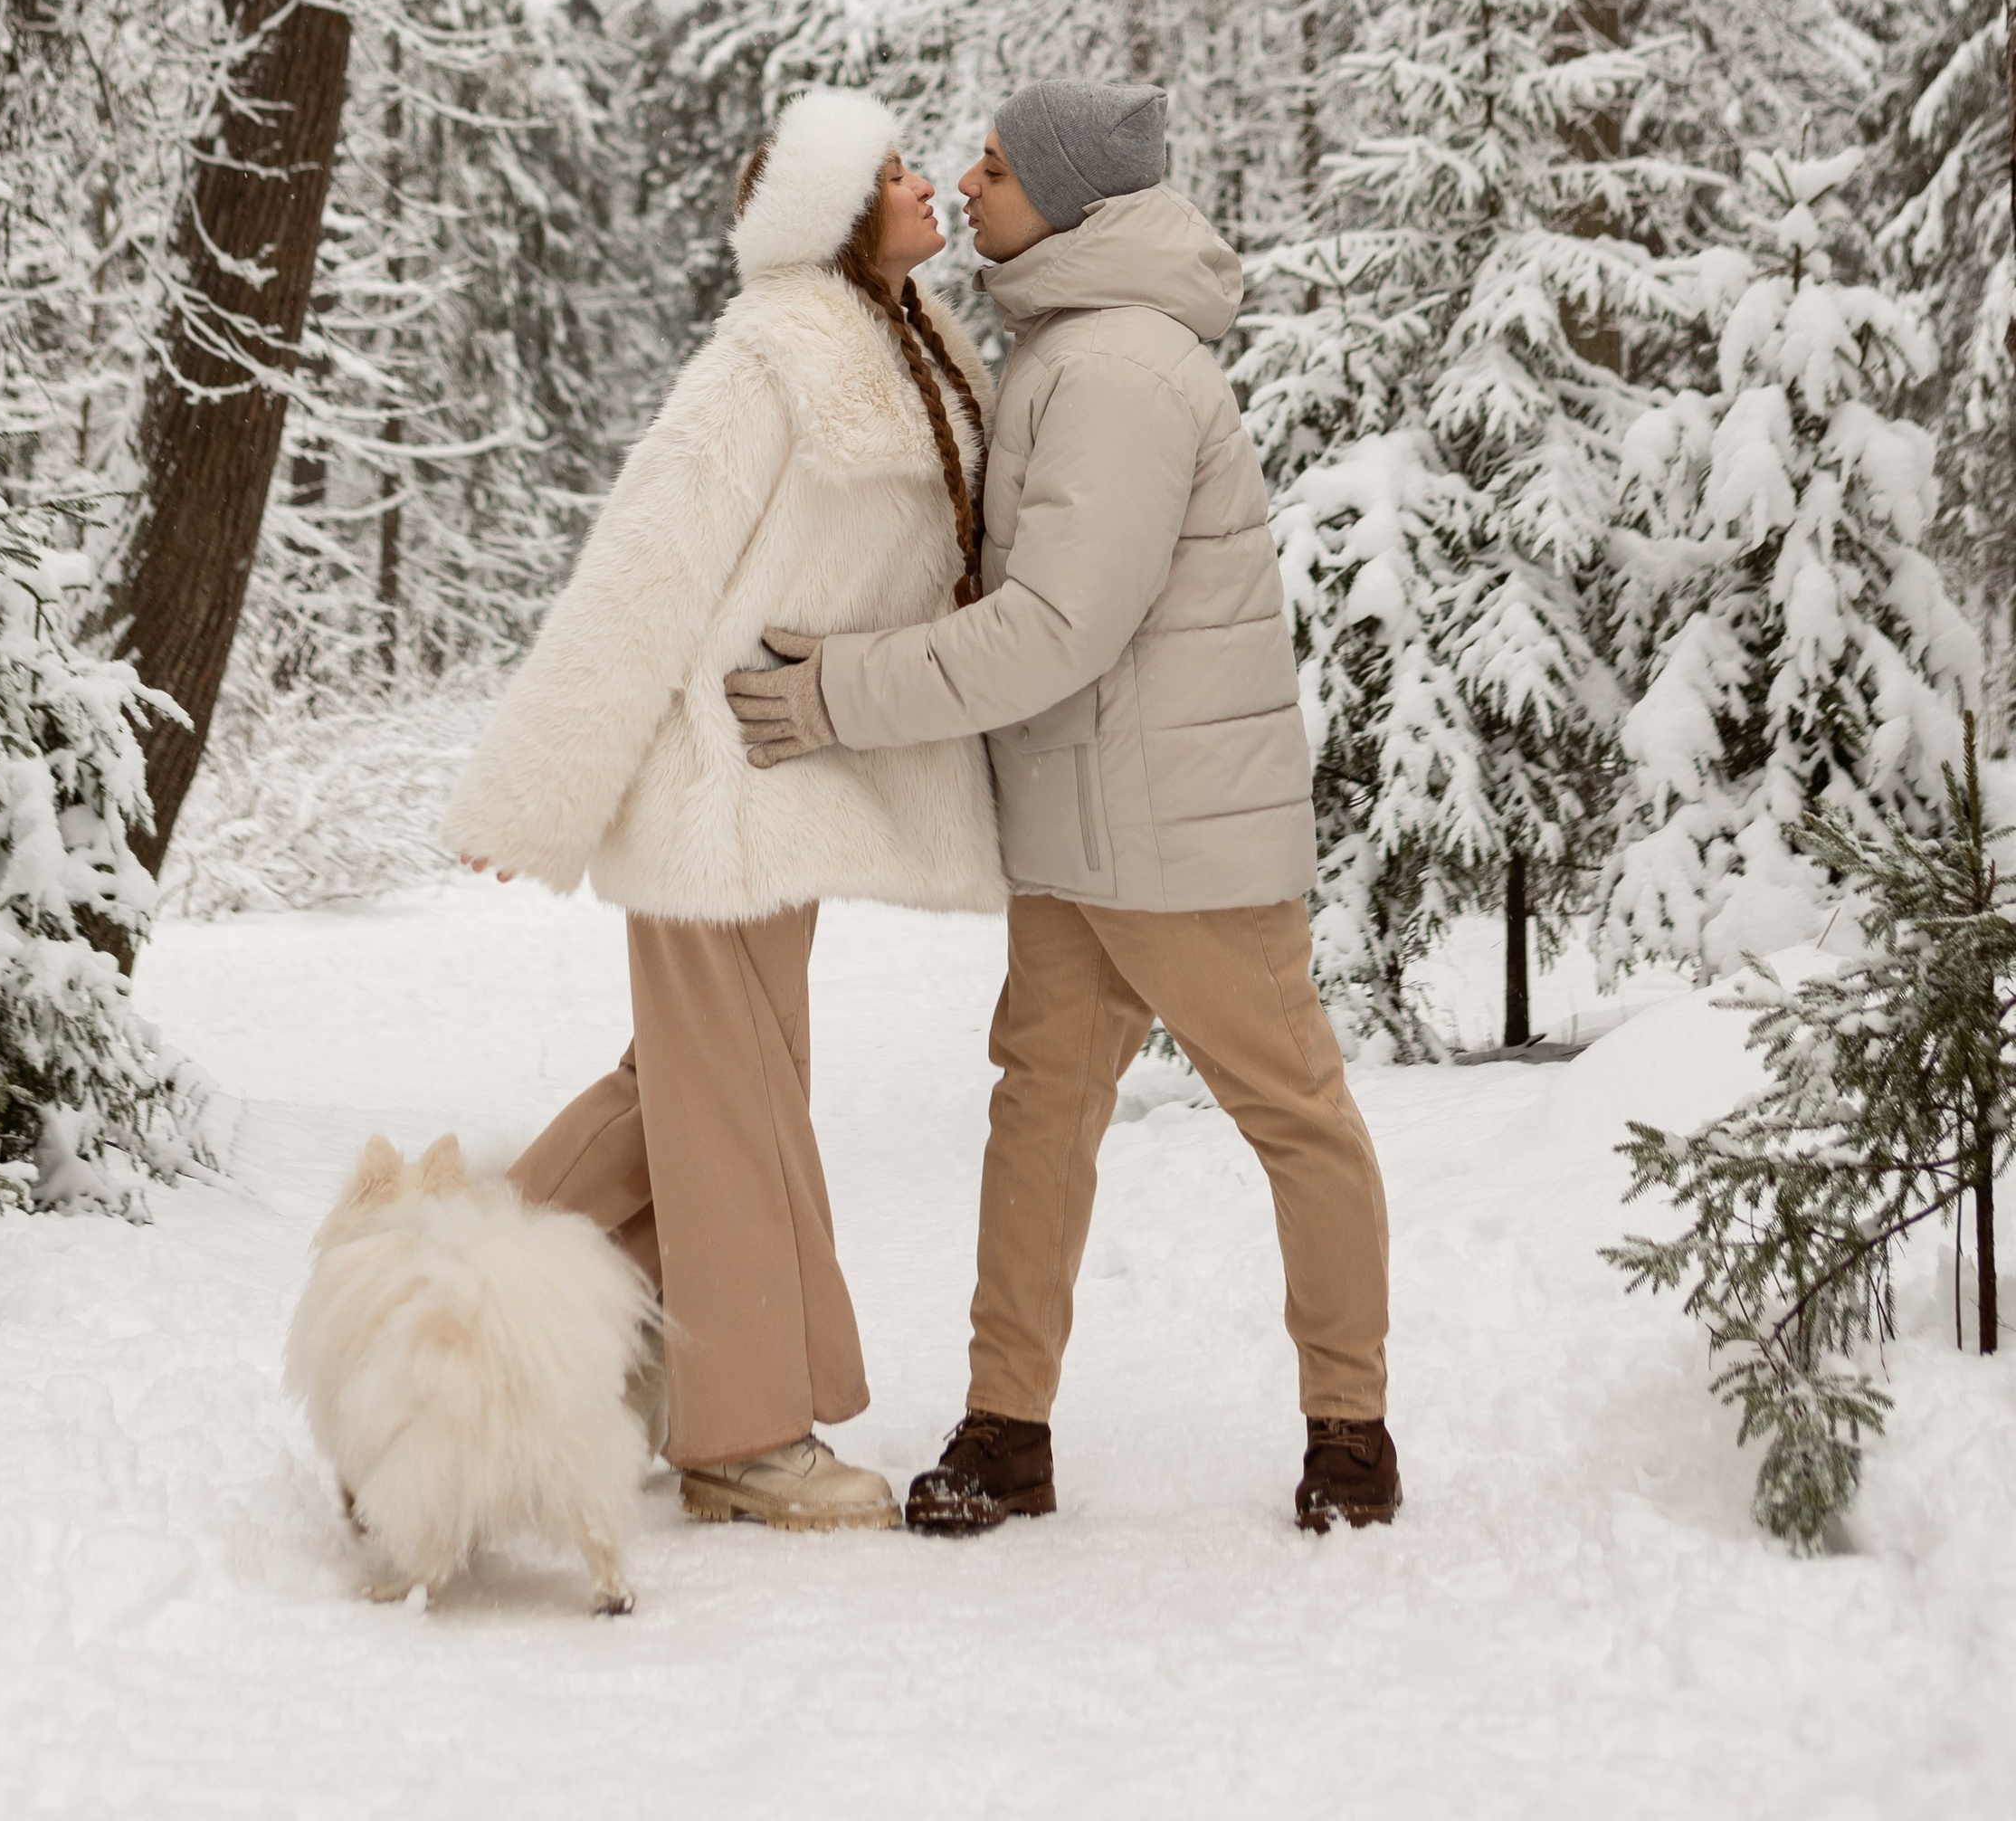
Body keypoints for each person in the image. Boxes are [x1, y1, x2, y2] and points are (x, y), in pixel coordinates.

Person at [727, 79, 1399, 1536]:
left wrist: (841, 693)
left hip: (1184, 843)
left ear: (1070, 198)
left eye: (997, 164)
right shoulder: (1064, 348)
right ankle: (1006, 1428)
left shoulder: (1117, 373)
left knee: (1295, 1117)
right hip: (1079, 831)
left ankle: (1352, 1432)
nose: (969, 182)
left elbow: (1057, 629)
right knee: (1039, 1117)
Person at [442, 85, 1004, 1530]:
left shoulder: (917, 348)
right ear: (838, 214)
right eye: (894, 172)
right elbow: (647, 567)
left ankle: (447, 1311)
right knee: (733, 1109)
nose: (926, 183)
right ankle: (744, 1441)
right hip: (708, 790)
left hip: (784, 791)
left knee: (681, 1099)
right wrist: (538, 791)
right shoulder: (767, 357)